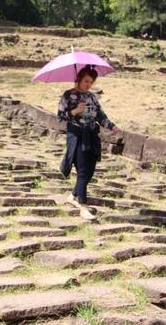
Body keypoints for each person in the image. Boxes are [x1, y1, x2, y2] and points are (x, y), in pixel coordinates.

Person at [57, 65, 119, 220]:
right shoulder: (68, 95)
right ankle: (83, 207)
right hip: (77, 135)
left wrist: (111, 126)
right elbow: (60, 117)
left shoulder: (92, 97)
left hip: (91, 135)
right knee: (83, 170)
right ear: (79, 79)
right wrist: (75, 111)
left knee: (90, 170)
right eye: (86, 81)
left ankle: (73, 195)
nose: (88, 84)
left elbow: (100, 115)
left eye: (91, 82)